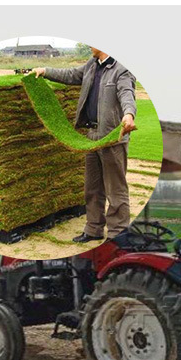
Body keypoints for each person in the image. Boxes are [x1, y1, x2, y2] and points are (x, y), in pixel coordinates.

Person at [33, 47, 137, 244]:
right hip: (91, 136)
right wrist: (45, 71)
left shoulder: (121, 69)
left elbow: (127, 95)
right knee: (92, 187)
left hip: (112, 138)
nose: (89, 46)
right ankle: (93, 229)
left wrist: (128, 115)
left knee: (116, 189)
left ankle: (118, 234)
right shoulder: (92, 64)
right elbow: (71, 74)